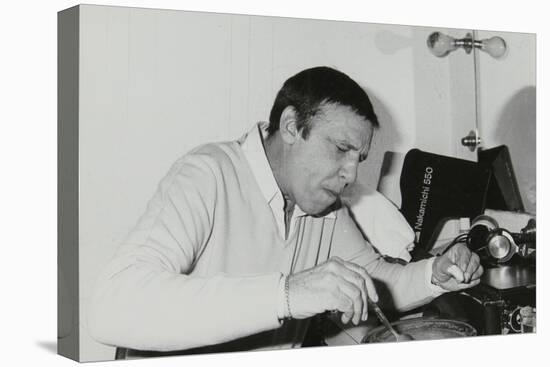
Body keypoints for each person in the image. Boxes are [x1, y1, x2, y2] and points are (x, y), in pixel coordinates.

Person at [88, 66, 483, 354]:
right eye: (341, 149)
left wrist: (436, 274)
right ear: (291, 126)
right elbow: (112, 307)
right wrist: (287, 293)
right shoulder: (208, 173)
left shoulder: (324, 204)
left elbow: (372, 280)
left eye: (359, 158)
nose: (350, 174)